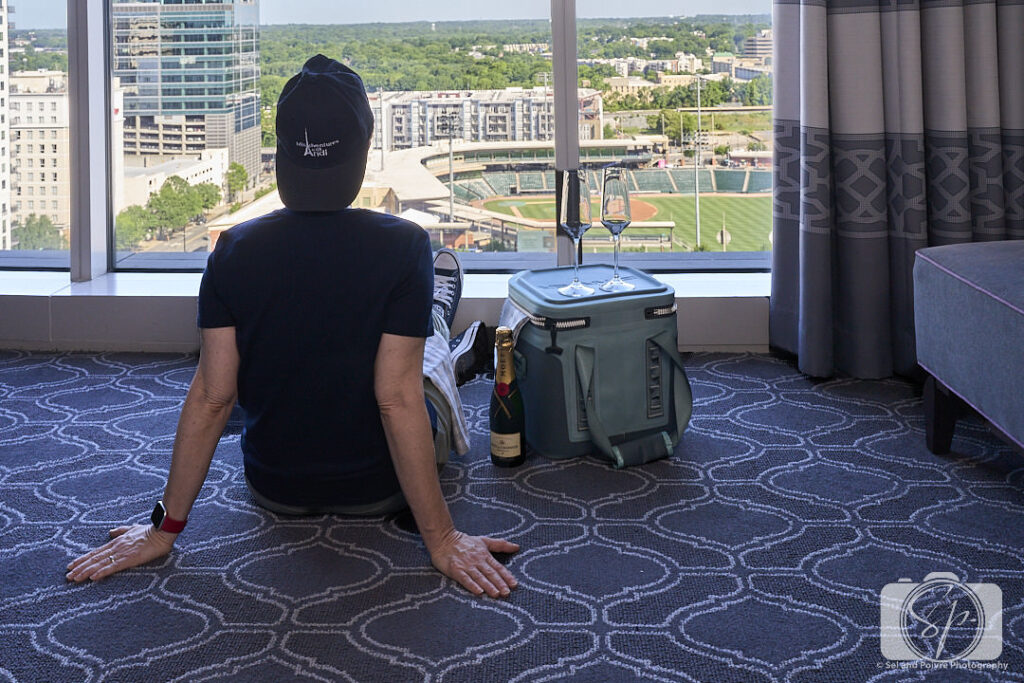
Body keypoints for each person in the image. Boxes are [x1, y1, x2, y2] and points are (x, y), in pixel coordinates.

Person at [66, 55, 519, 598]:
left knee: (255, 361)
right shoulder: (404, 247)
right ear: (362, 154)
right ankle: (443, 331)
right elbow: (395, 400)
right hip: (381, 488)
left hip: (274, 486)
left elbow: (214, 396)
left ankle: (438, 328)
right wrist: (442, 539)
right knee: (420, 360)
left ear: (281, 155)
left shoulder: (232, 251)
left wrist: (163, 529)